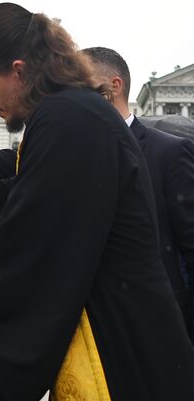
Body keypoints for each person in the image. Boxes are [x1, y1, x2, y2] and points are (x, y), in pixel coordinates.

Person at [0, 3, 194, 401]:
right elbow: (21, 196)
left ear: (20, 70)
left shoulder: (68, 119)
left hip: (122, 347)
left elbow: (30, 234)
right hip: (121, 327)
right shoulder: (69, 113)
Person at [83, 46, 194, 340]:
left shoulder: (168, 152)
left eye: (80, 86)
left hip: (164, 328)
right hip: (99, 329)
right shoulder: (77, 154)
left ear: (113, 87)